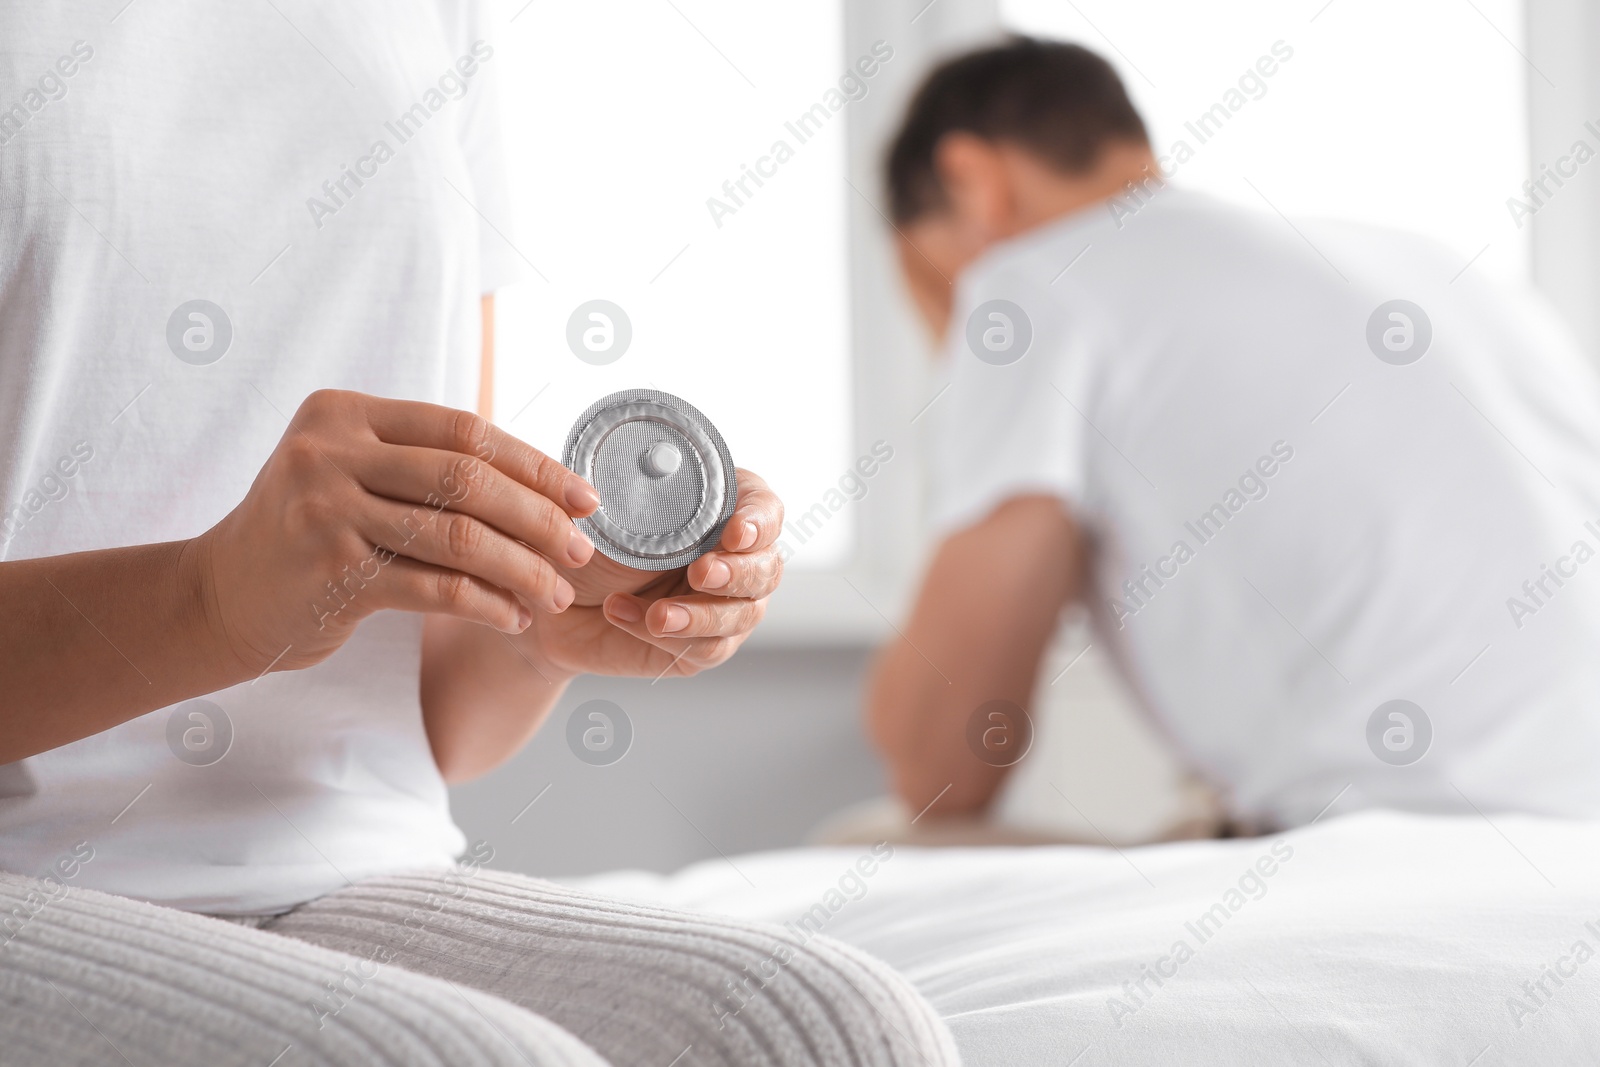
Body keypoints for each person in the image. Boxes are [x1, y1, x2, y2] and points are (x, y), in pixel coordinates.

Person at [0, 4, 957, 1065]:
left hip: (356, 859)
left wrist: (540, 615)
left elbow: (439, 723)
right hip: (30, 871)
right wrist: (208, 602)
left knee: (832, 1030)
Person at [869, 37, 1600, 834]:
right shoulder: (1438, 267)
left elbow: (940, 768)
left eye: (929, 286)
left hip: (1395, 842)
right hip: (1576, 838)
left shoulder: (1027, 286)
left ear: (973, 183)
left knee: (864, 843)